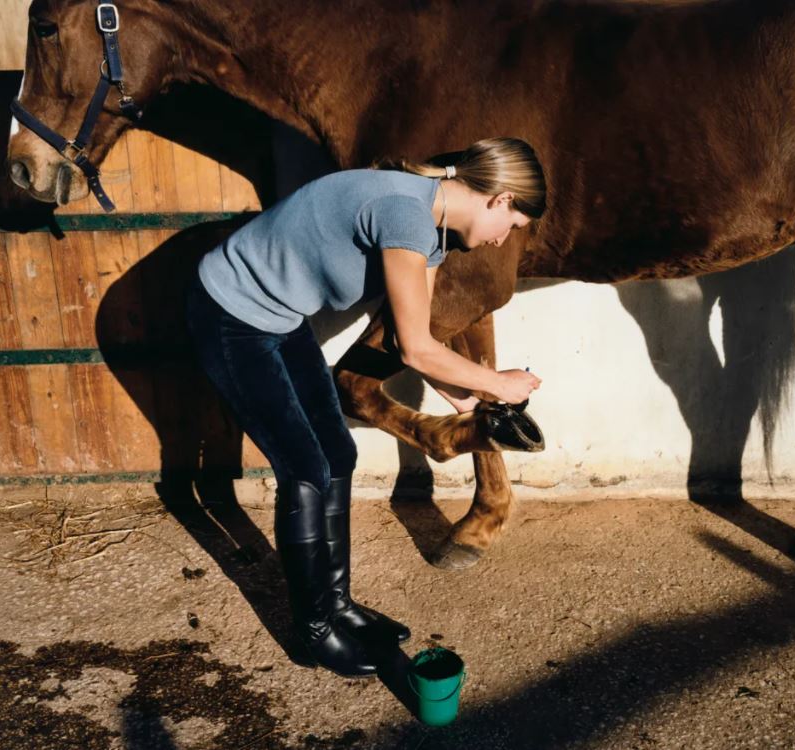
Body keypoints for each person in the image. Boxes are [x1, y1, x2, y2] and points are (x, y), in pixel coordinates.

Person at [186, 137, 547, 677]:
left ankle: (337, 609)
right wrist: (500, 380)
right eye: (512, 225)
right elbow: (416, 348)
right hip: (230, 316)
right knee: (306, 470)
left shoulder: (431, 224)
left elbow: (415, 341)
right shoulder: (404, 214)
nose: (503, 240)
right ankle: (314, 633)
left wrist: (468, 397)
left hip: (279, 320)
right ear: (499, 198)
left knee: (337, 452)